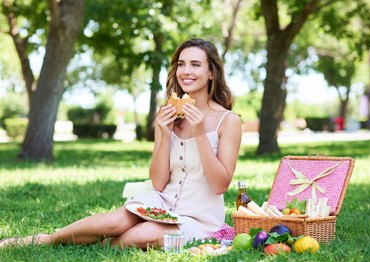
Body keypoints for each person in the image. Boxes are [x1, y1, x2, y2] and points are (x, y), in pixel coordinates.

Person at [0, 38, 242, 249]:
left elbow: (221, 184)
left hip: (199, 218)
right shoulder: (168, 113)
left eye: (195, 64)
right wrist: (164, 135)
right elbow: (158, 182)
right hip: (162, 203)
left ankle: (103, 245)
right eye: (181, 64)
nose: (185, 71)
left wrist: (200, 135)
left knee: (141, 235)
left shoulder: (227, 121)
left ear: (212, 72)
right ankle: (46, 239)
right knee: (112, 222)